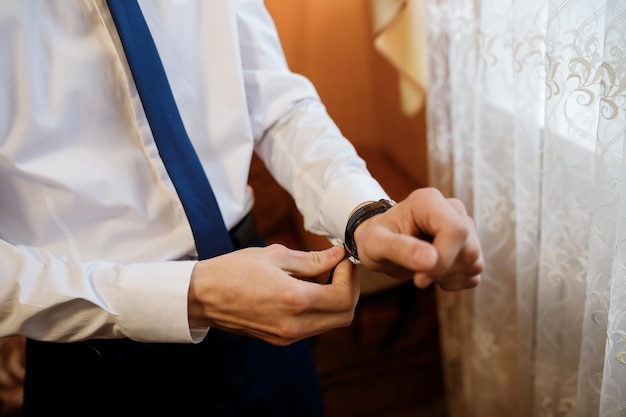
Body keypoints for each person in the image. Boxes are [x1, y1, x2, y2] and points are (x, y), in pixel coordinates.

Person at [0, 1, 483, 416]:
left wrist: (363, 214)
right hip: (96, 360)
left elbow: (272, 99)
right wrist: (192, 296)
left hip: (266, 312)